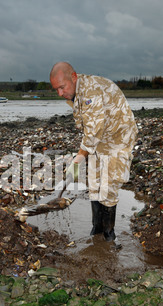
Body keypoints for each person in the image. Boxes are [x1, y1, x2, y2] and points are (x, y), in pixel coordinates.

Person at [50, 62, 138, 243]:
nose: (60, 93)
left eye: (62, 87)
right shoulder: (77, 92)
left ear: (73, 77)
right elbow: (90, 130)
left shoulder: (91, 92)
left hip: (118, 139)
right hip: (101, 140)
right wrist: (83, 155)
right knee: (95, 184)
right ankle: (96, 230)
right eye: (56, 89)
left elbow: (93, 131)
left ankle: (108, 236)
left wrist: (78, 160)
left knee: (108, 186)